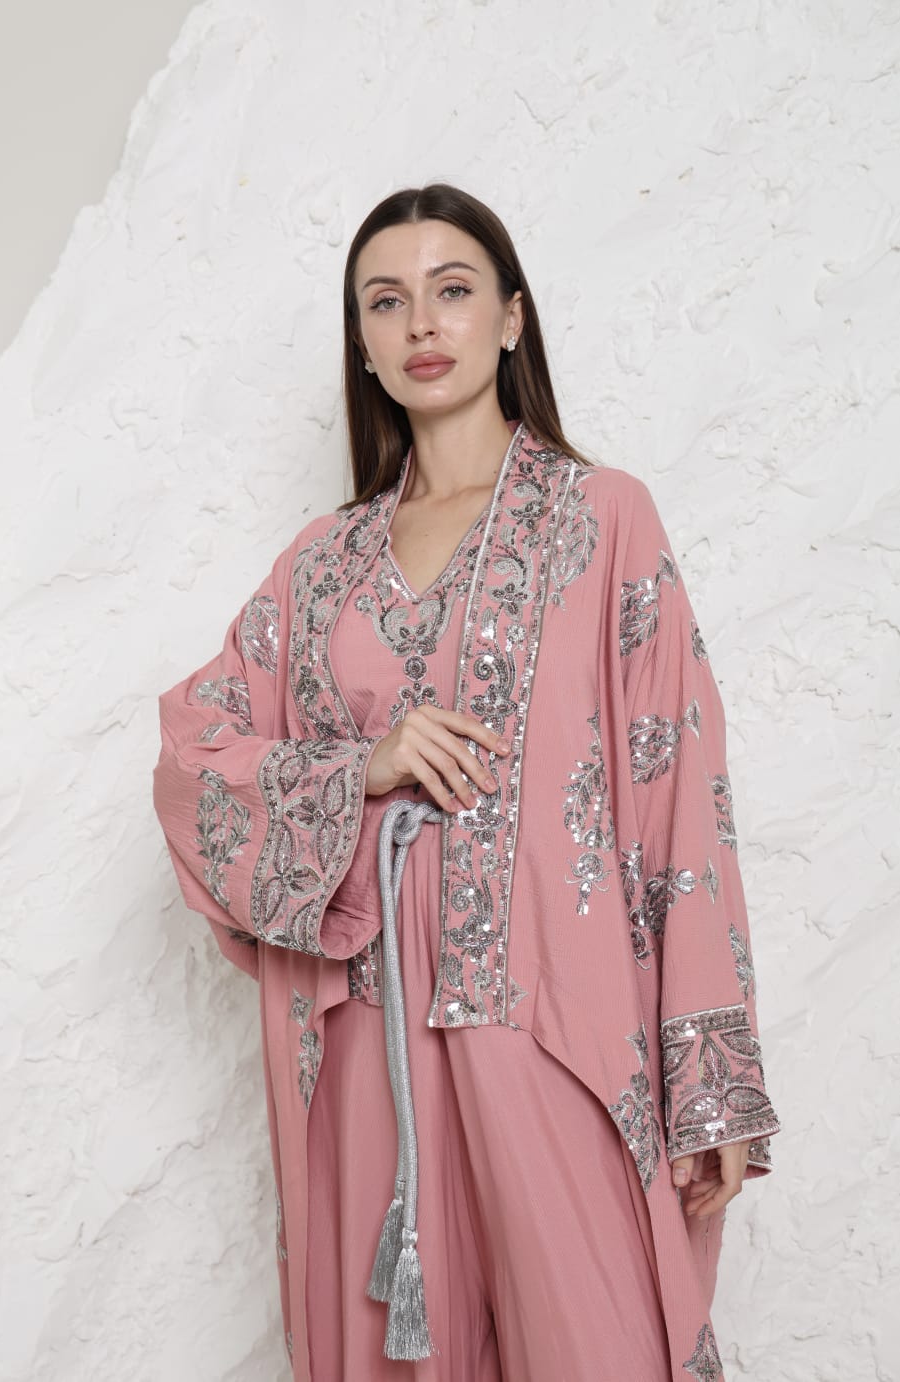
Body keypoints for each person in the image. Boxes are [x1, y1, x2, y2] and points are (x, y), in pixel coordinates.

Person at [152, 182, 782, 1382]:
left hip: (552, 1027)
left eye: (452, 289)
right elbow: (194, 756)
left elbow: (679, 793)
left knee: (594, 1341)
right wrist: (360, 766)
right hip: (366, 1047)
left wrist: (707, 1081)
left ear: (511, 317)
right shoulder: (321, 566)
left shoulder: (602, 519)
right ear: (362, 342)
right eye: (385, 302)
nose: (422, 323)